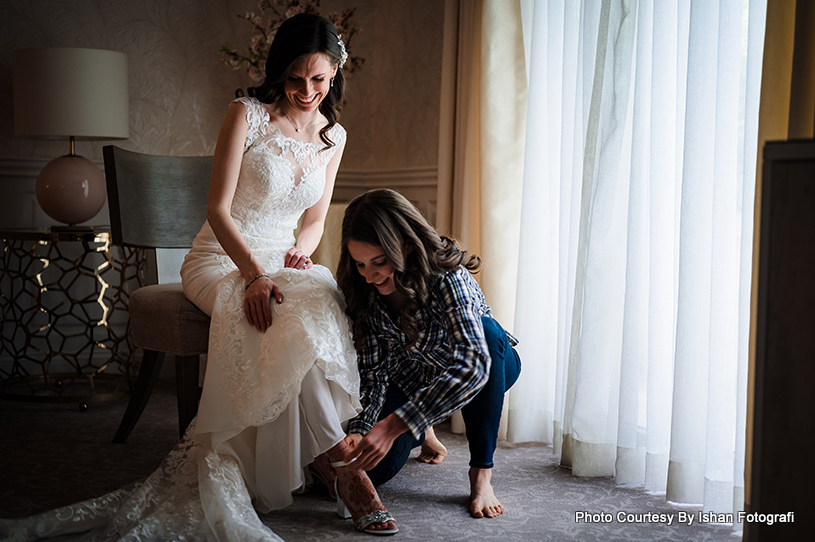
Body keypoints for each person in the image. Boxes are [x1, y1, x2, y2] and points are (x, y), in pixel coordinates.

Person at [0, 14, 395, 541]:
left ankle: (330, 456)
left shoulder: (333, 135)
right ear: (279, 70)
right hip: (222, 258)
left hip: (282, 259)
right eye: (296, 78)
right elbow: (217, 209)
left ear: (335, 73)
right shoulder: (247, 114)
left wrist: (300, 252)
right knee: (279, 313)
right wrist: (254, 275)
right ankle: (347, 466)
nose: (306, 91)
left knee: (318, 298)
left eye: (319, 80)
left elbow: (317, 220)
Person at [336, 188, 522, 519]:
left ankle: (481, 475)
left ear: (406, 245)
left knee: (487, 331)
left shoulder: (448, 276)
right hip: (416, 376)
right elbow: (375, 372)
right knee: (366, 473)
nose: (369, 275)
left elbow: (474, 365)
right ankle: (425, 427)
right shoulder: (364, 291)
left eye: (379, 262)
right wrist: (362, 429)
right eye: (360, 263)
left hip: (488, 366)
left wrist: (396, 424)